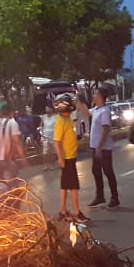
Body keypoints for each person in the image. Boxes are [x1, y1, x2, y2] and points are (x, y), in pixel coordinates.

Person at [76, 87, 120, 209]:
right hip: (96, 147)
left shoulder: (104, 111)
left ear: (100, 96)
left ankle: (114, 197)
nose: (93, 96)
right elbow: (86, 113)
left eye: (95, 93)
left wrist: (100, 147)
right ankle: (100, 196)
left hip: (104, 148)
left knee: (108, 172)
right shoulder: (96, 110)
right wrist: (79, 99)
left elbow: (106, 129)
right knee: (96, 171)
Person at [53, 94, 88, 223]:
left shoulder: (67, 119)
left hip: (70, 157)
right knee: (73, 186)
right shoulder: (60, 121)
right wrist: (60, 158)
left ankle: (63, 211)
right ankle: (77, 212)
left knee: (66, 186)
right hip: (67, 158)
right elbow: (56, 141)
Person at [0, 104, 24, 182]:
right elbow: (16, 142)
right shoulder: (12, 123)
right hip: (7, 159)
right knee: (13, 181)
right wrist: (23, 158)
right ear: (11, 113)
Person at [40, 104, 58, 170]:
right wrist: (41, 133)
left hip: (54, 136)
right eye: (46, 108)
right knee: (45, 152)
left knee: (53, 152)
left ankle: (52, 165)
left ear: (52, 109)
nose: (46, 110)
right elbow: (41, 125)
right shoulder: (44, 117)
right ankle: (45, 165)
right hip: (45, 136)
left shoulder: (56, 117)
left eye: (48, 108)